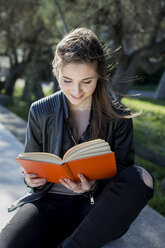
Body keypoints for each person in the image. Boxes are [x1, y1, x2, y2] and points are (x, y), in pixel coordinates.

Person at [0, 28, 154, 248]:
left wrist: (91, 187)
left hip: (94, 207)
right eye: (67, 80)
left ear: (99, 75)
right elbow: (30, 165)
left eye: (87, 81)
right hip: (48, 203)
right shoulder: (40, 111)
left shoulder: (118, 115)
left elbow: (122, 174)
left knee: (141, 177)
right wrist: (30, 179)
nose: (76, 90)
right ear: (57, 72)